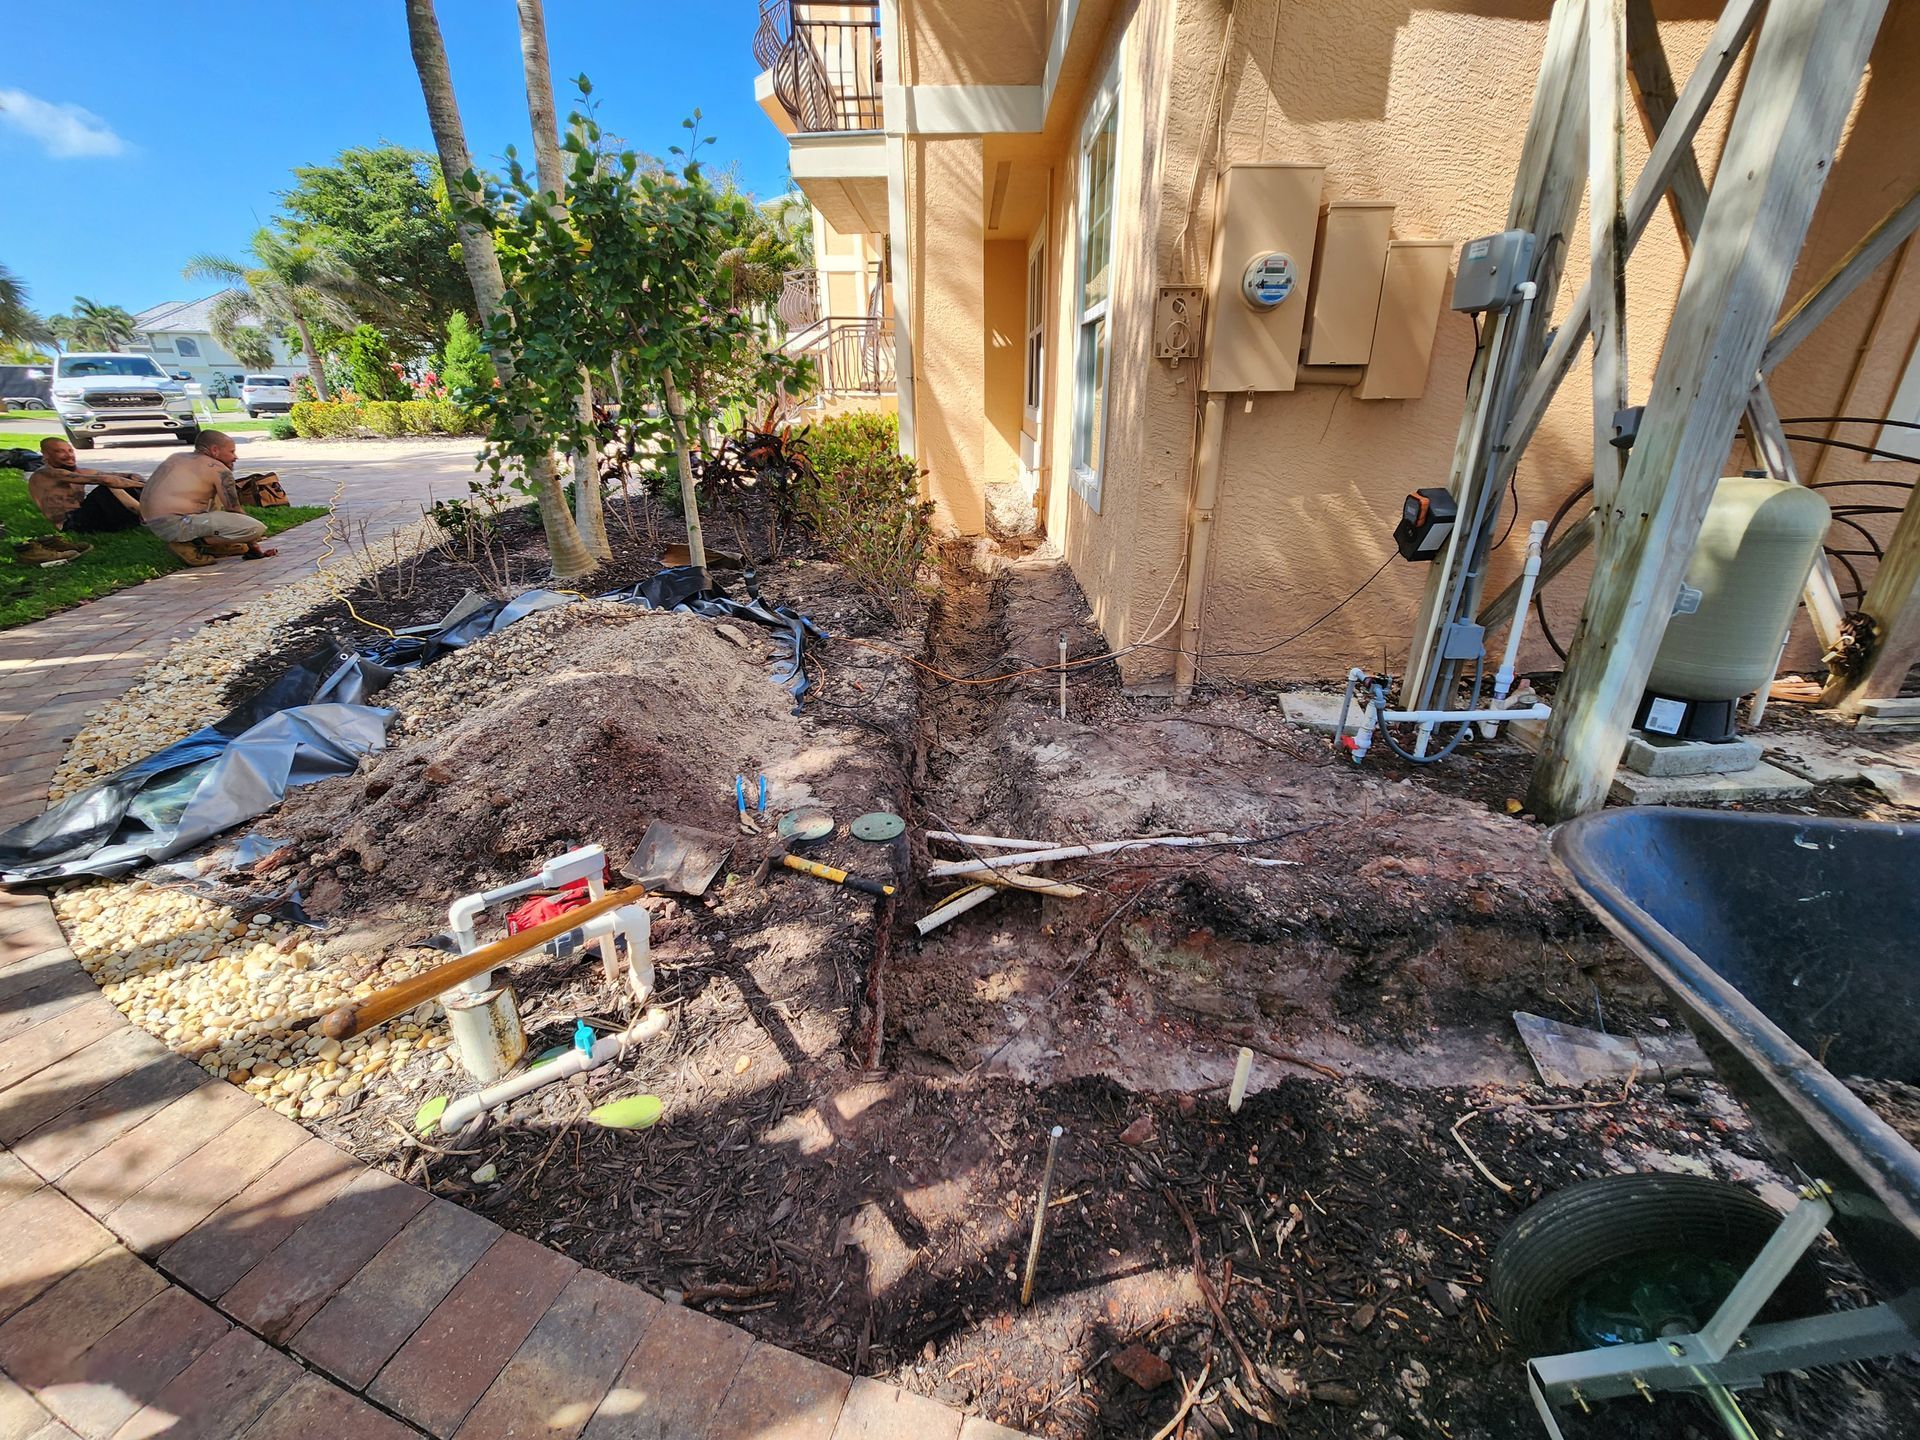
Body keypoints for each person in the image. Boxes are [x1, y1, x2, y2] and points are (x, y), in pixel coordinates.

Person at [139, 431, 279, 567]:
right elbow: (234, 509)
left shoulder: (176, 457)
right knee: (255, 528)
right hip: (178, 524)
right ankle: (189, 545)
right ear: (214, 450)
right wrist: (253, 544)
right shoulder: (219, 470)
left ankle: (213, 546)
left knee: (214, 496)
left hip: (155, 523)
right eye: (231, 451)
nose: (235, 457)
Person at [28, 438, 145, 539]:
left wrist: (136, 479)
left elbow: (124, 476)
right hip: (71, 524)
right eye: (60, 452)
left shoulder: (79, 471)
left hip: (88, 519)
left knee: (128, 483)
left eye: (70, 451)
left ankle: (154, 514)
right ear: (46, 455)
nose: (69, 455)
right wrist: (143, 486)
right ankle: (148, 516)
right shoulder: (47, 473)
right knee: (109, 485)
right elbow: (107, 480)